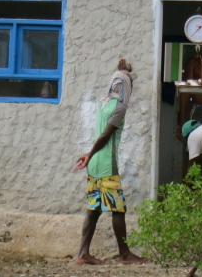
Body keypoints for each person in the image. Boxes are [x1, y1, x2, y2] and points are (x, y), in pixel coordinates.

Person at [73, 59, 145, 266]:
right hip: (105, 163)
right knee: (118, 209)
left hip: (94, 164)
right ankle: (125, 255)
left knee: (94, 209)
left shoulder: (102, 103)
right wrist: (89, 153)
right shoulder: (120, 108)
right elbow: (105, 135)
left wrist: (122, 71)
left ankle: (82, 254)